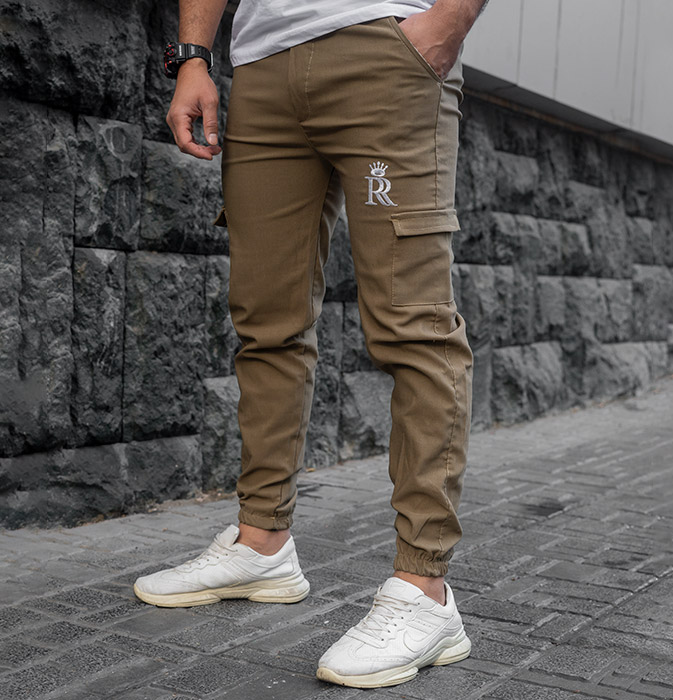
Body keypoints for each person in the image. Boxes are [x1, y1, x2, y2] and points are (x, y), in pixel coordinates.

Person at [134, 0, 487, 688]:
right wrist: (193, 58)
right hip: (263, 66)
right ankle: (261, 542)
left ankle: (425, 590)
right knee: (266, 323)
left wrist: (449, 21)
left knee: (413, 327)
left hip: (386, 50)